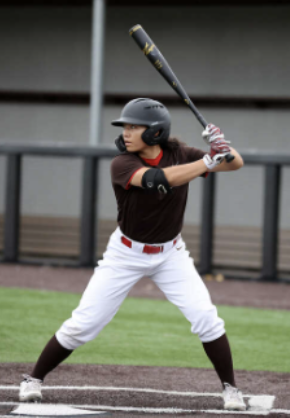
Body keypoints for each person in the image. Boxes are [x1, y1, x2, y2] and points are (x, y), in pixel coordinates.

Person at [18, 98, 246, 411]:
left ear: (155, 132)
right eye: (125, 126)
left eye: (133, 127)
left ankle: (230, 388)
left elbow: (235, 164)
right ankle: (34, 379)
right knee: (84, 324)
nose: (126, 133)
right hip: (125, 253)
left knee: (206, 317)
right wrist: (208, 161)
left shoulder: (180, 152)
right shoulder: (122, 163)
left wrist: (221, 147)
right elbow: (158, 181)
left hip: (171, 254)